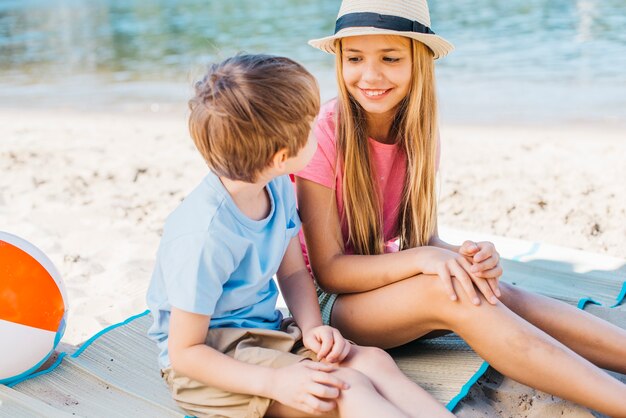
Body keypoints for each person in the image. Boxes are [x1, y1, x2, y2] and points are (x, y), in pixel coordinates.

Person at [295, 0, 626, 416]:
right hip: (325, 307)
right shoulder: (324, 134)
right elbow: (328, 270)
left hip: (382, 283)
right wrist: (427, 258)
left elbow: (423, 239)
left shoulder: (418, 129)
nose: (371, 75)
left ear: (419, 62)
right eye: (355, 58)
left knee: (490, 287)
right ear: (339, 62)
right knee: (452, 292)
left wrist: (464, 254)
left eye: (390, 58)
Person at [146, 54, 453, 418]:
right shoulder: (205, 236)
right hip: (211, 364)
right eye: (311, 126)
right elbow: (185, 353)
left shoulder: (275, 187)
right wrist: (275, 384)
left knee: (371, 360)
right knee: (343, 389)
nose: (319, 128)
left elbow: (292, 272)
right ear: (281, 156)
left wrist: (311, 328)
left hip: (263, 333)